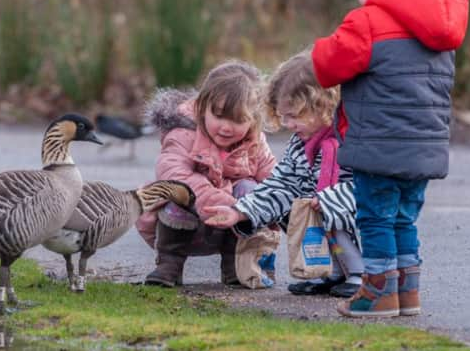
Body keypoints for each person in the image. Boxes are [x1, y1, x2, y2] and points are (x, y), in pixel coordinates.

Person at [311, 0, 469, 317]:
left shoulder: (367, 21)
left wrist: (317, 47)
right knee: (403, 219)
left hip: (379, 146)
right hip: (424, 148)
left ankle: (378, 293)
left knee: (375, 219)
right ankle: (407, 292)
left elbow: (328, 67)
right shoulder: (441, 24)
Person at [203, 51, 364, 298]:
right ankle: (330, 271)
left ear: (322, 104)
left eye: (294, 115)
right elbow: (281, 183)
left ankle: (359, 273)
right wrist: (240, 211)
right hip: (321, 218)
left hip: (354, 223)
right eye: (282, 116)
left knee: (334, 218)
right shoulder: (300, 145)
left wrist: (330, 199)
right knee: (292, 211)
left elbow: (366, 187)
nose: (288, 124)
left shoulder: (352, 140)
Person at [136, 60, 276, 287]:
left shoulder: (255, 143)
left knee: (250, 190)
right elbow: (174, 174)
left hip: (232, 225)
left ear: (253, 119)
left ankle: (236, 265)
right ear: (202, 107)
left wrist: (288, 211)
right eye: (219, 115)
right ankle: (169, 264)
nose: (226, 127)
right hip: (185, 223)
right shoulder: (183, 133)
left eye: (238, 120)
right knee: (177, 193)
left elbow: (276, 181)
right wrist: (225, 202)